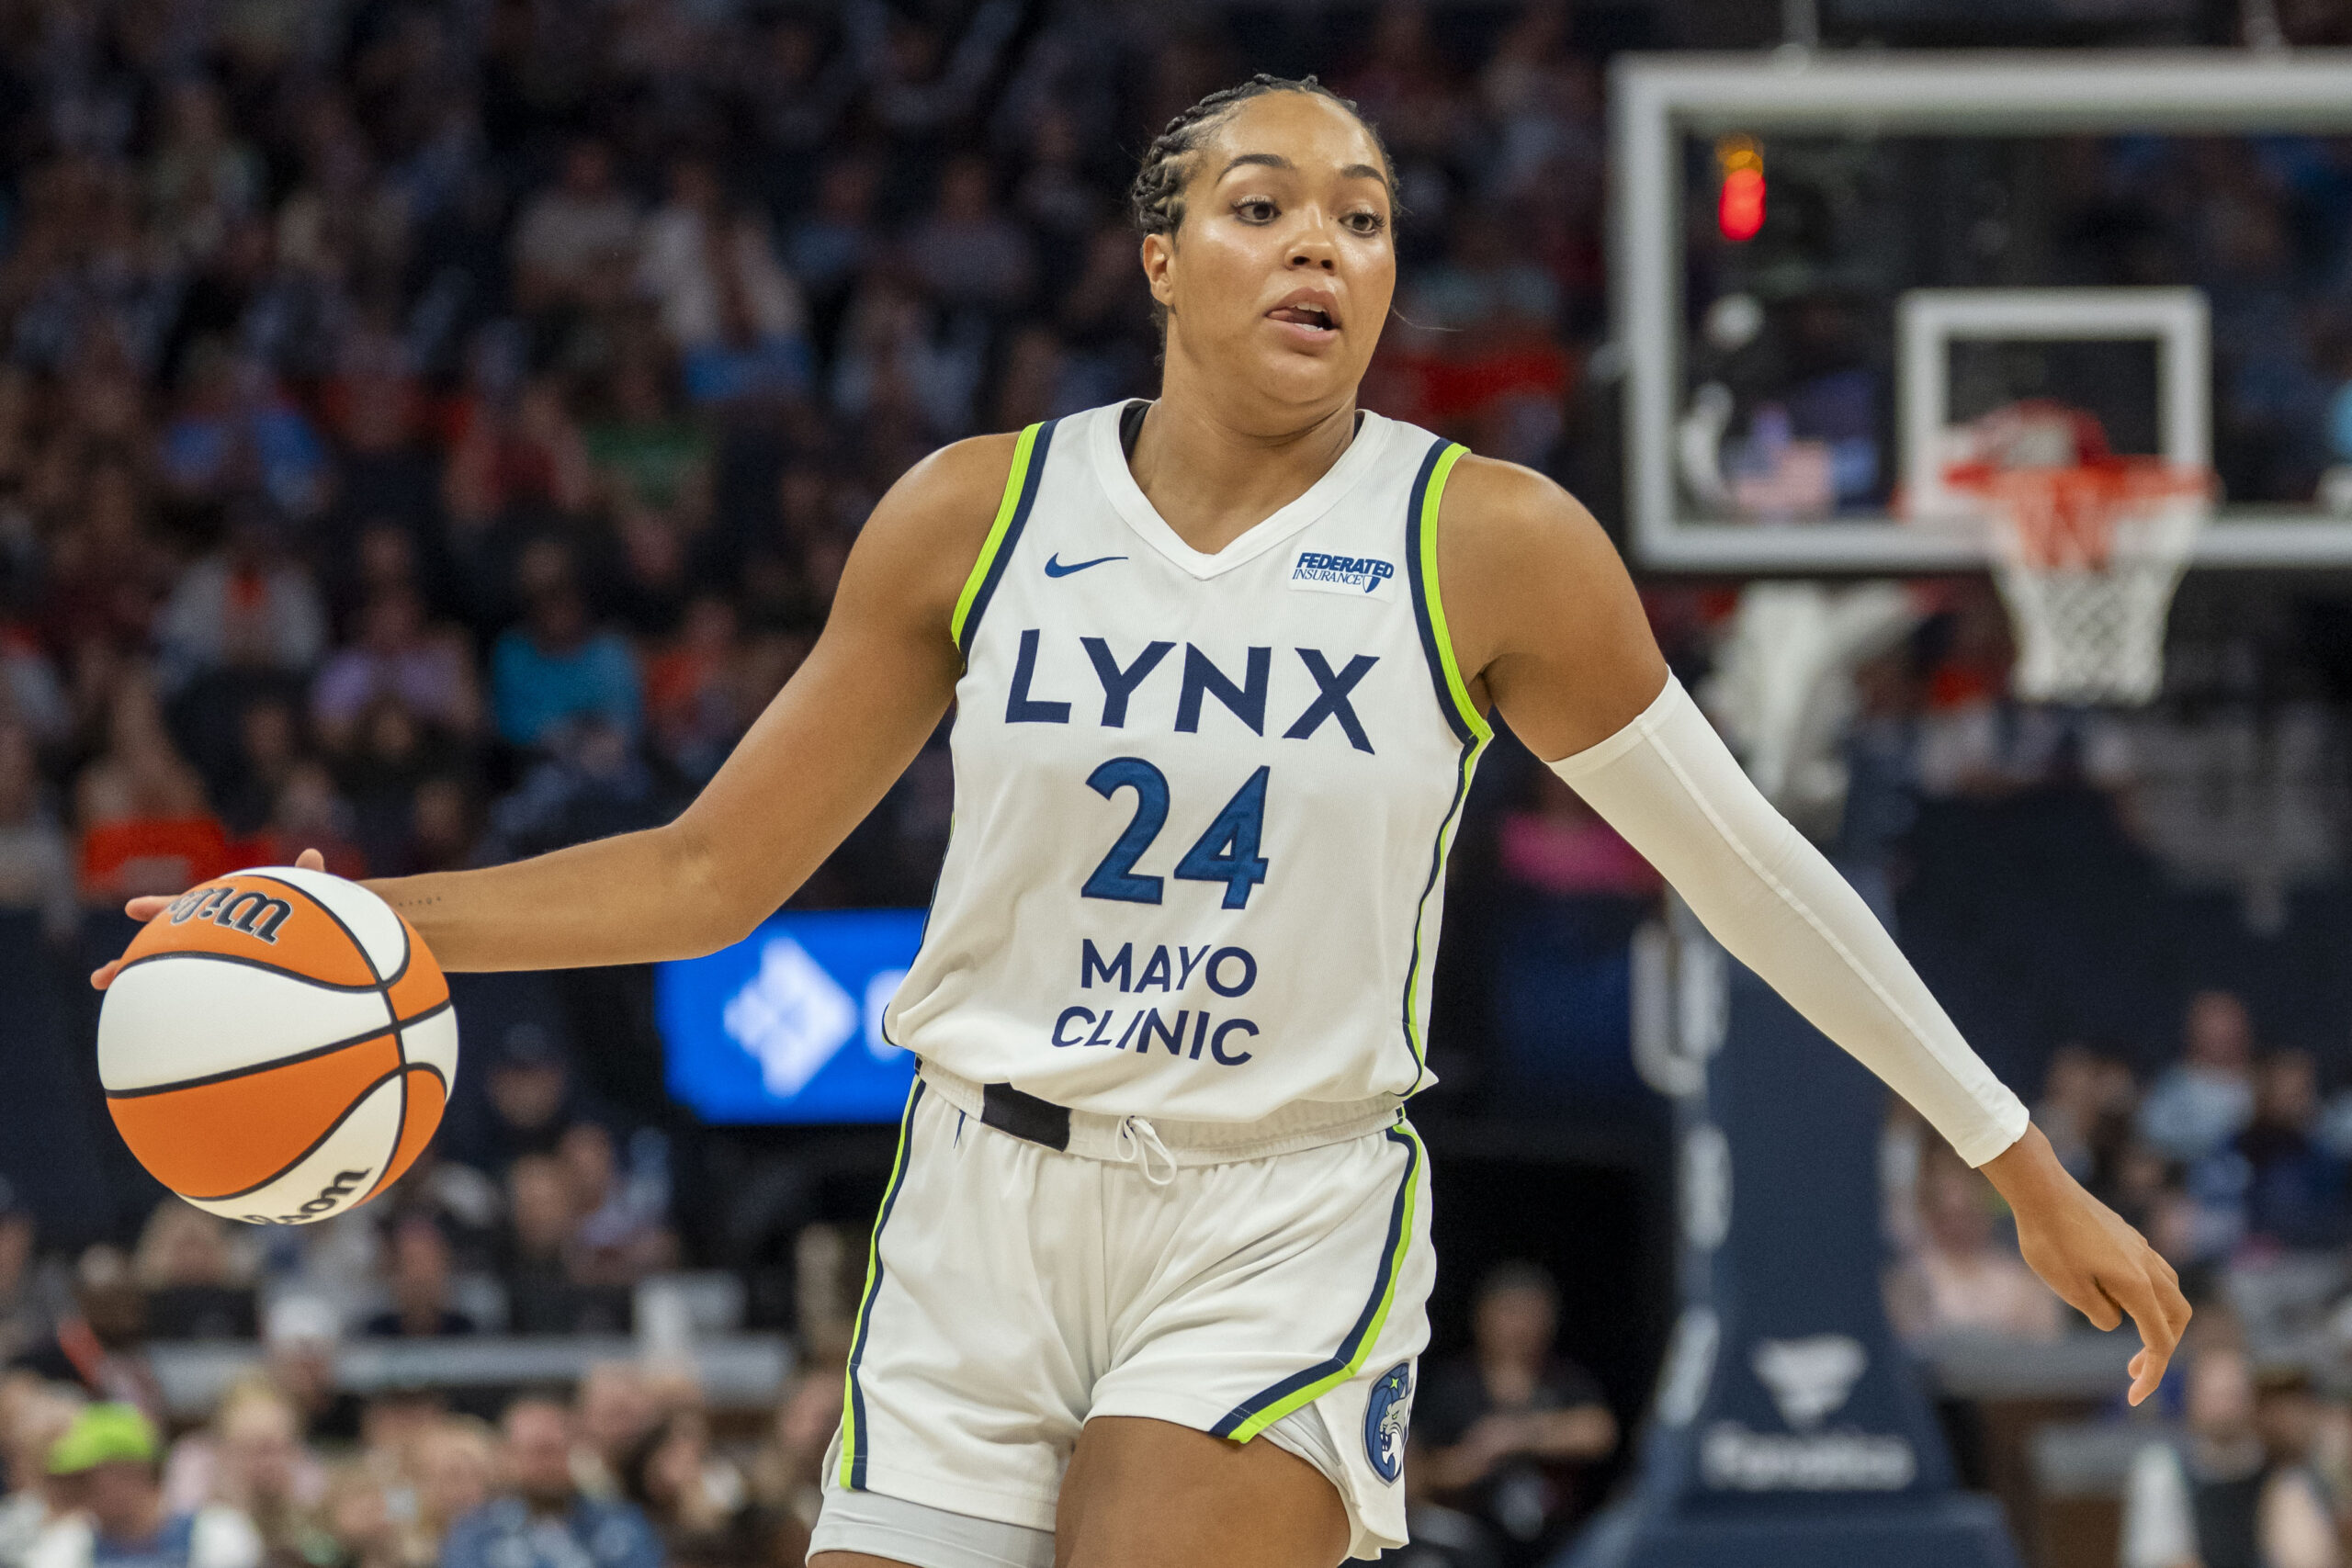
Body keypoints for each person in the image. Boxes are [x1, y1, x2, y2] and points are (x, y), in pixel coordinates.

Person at [100, 74, 2188, 1568]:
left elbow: (1747, 866)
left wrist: (2011, 1155)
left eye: (1363, 216)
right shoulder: (974, 510)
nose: (1324, 243)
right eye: (1268, 202)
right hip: (975, 1208)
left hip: (1272, 1208)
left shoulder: (1490, 545)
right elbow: (704, 872)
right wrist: (326, 914)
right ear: (1161, 258)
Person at [1412, 1263, 1615, 1563]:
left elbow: (1599, 1432)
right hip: (1471, 1539)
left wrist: (1515, 1436)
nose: (1520, 1327)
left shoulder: (1564, 1380)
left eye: (1532, 1314)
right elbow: (1416, 1471)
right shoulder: (1453, 1386)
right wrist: (1463, 1466)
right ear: (1483, 1317)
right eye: (1509, 1313)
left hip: (1559, 1540)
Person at [2123, 1346, 2339, 1568]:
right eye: (2215, 1395)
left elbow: (2310, 1559)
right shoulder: (2163, 1468)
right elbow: (2159, 1559)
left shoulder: (2283, 1478)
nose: (2224, 1408)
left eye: (2233, 1394)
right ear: (2191, 1400)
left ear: (2252, 1400)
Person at [26, 1404, 260, 1568]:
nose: (74, 1492)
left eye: (83, 1478)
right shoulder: (67, 1544)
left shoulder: (217, 1533)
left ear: (131, 1473)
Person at [436, 1400, 660, 1568]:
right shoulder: (475, 1535)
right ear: (508, 1457)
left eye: (559, 1450)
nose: (551, 1465)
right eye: (539, 1452)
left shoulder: (620, 1525)